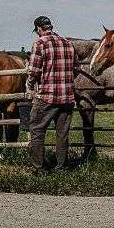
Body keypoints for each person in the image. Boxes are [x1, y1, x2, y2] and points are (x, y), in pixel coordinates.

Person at [25, 16, 78, 172]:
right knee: (62, 133)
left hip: (46, 96)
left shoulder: (40, 43)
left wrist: (29, 84)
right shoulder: (68, 43)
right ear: (50, 27)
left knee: (37, 130)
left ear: (38, 29)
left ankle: (38, 167)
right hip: (67, 97)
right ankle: (61, 166)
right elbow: (76, 69)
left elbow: (34, 71)